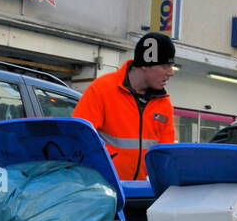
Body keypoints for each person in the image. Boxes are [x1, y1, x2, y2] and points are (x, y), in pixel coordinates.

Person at [74, 32, 176, 181]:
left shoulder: (164, 105)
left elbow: (166, 157)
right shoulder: (102, 89)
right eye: (165, 65)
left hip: (140, 193)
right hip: (102, 189)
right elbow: (77, 139)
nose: (171, 73)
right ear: (146, 64)